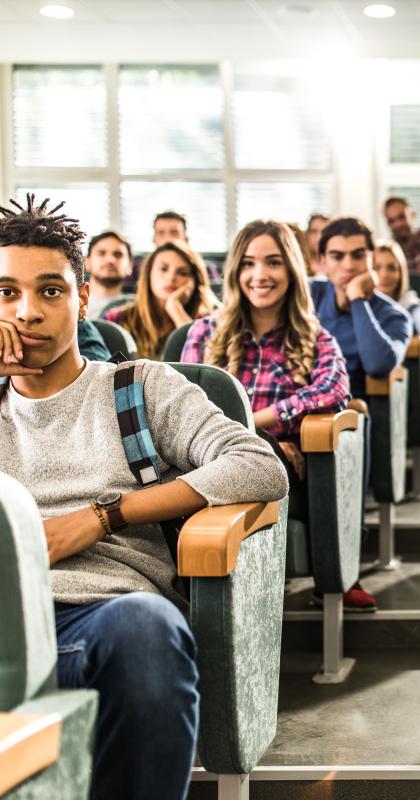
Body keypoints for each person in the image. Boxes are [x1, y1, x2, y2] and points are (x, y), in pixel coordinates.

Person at [0, 194, 287, 800]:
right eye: (7, 292)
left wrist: (104, 517)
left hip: (105, 618)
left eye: (49, 290)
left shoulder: (141, 387)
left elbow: (258, 466)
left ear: (82, 297)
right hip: (5, 622)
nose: (27, 311)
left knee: (147, 628)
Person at [180, 220, 351, 524]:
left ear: (291, 270)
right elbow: (188, 415)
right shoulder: (204, 332)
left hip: (281, 477)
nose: (260, 275)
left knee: (265, 452)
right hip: (209, 463)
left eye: (273, 262)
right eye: (248, 264)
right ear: (236, 272)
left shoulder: (315, 338)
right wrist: (256, 436)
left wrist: (258, 427)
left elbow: (333, 390)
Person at [312, 217, 413, 611]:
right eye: (337, 256)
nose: (348, 265)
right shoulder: (306, 296)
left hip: (343, 419)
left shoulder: (391, 315)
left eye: (358, 255)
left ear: (371, 259)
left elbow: (377, 364)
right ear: (321, 260)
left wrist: (357, 300)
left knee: (354, 418)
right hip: (292, 407)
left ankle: (342, 572)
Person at [104, 240, 219, 359]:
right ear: (149, 275)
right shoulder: (116, 320)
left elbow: (206, 368)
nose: (171, 277)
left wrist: (175, 308)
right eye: (163, 269)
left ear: (195, 282)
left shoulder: (209, 323)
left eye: (183, 273)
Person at [132, 211, 221, 281]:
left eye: (174, 233)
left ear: (186, 239)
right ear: (154, 239)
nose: (168, 238)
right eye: (161, 233)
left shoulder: (206, 269)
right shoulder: (136, 271)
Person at [374, 238, 420, 334]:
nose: (384, 275)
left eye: (391, 268)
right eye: (377, 267)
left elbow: (414, 328)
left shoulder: (411, 304)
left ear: (401, 273)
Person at [85, 230, 133, 318]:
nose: (110, 260)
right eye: (101, 253)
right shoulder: (70, 305)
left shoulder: (139, 308)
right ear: (87, 263)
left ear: (130, 266)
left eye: (118, 254)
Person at [305, 212, 331, 279]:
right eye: (314, 232)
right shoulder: (299, 266)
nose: (319, 237)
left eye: (324, 232)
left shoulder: (339, 266)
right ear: (307, 235)